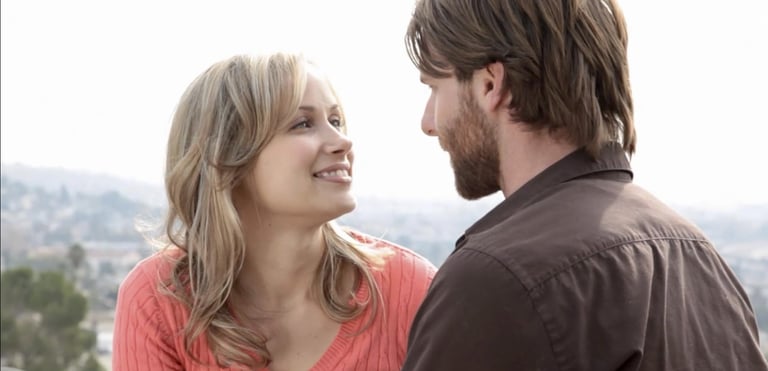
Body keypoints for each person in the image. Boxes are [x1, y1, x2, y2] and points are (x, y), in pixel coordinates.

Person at [401, 1, 768, 370]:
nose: (428, 122)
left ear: (491, 84)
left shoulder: (494, 280)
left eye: (434, 87)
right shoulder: (700, 258)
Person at [112, 52, 436, 371]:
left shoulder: (412, 289)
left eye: (336, 120)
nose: (342, 141)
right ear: (227, 160)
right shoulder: (157, 300)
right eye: (303, 124)